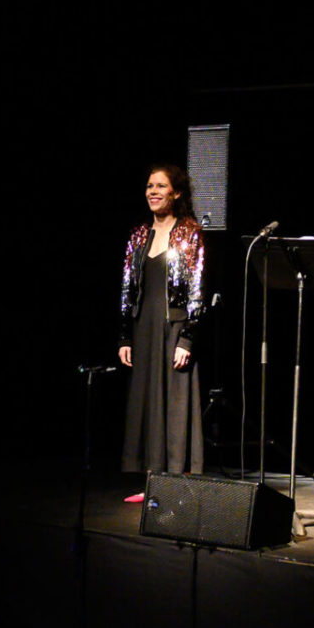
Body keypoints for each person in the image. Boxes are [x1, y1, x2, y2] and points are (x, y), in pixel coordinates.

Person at [119, 164, 206, 480]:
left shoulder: (189, 232)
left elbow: (197, 288)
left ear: (176, 192)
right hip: (145, 328)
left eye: (160, 186)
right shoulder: (139, 234)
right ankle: (148, 477)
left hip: (174, 328)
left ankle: (175, 478)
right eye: (149, 186)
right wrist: (125, 336)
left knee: (174, 403)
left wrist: (187, 338)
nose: (152, 191)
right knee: (147, 402)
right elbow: (128, 287)